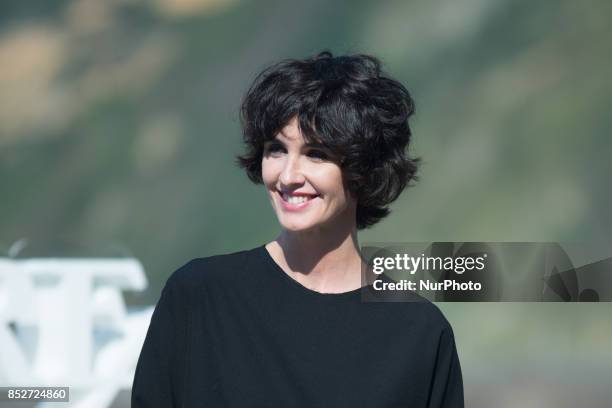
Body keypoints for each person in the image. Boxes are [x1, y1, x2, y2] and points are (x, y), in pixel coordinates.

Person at [132, 51, 464, 407]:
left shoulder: (420, 333)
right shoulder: (199, 297)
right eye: (276, 150)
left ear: (365, 168)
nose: (288, 176)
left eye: (316, 153)